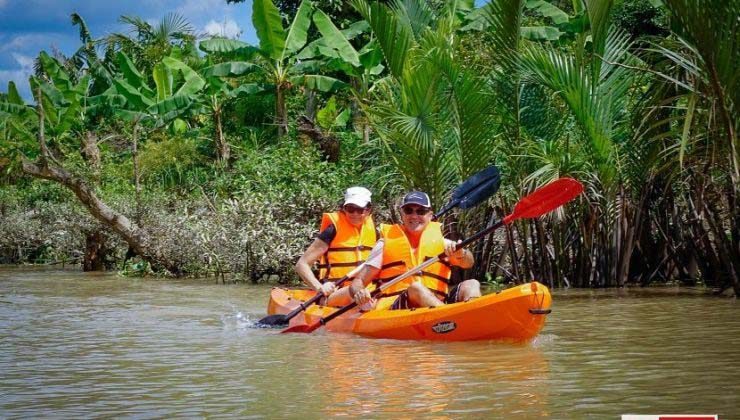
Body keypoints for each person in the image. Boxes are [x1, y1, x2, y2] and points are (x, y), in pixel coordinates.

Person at [349, 191, 481, 309]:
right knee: (416, 288)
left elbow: (468, 263)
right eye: (409, 210)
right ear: (402, 214)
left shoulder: (443, 243)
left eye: (421, 211)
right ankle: (450, 318)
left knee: (472, 284)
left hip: (437, 304)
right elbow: (358, 282)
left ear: (430, 215)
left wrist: (461, 254)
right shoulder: (384, 244)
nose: (414, 215)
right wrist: (359, 293)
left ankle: (473, 319)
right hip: (397, 306)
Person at [294, 186, 377, 307]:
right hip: (335, 293)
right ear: (344, 208)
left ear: (368, 210)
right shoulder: (332, 230)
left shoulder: (375, 230)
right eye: (350, 209)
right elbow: (302, 265)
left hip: (365, 291)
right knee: (353, 290)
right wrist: (319, 287)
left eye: (359, 209)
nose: (354, 214)